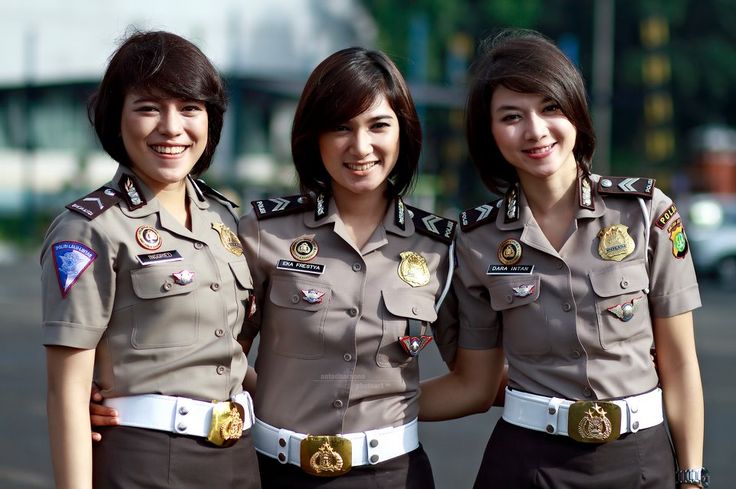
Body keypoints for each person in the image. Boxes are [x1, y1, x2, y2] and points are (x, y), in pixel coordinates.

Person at [419, 30, 707, 488]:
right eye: (511, 116)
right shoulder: (476, 240)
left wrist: (691, 477)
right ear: (490, 133)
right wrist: (362, 412)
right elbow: (475, 385)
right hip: (526, 463)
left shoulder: (646, 214)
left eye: (550, 107)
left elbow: (679, 363)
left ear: (575, 110)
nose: (535, 131)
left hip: (640, 462)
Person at [41, 30, 260, 489]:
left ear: (211, 120)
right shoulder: (89, 228)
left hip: (237, 459)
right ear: (116, 121)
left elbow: (227, 352)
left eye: (189, 108)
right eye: (148, 108)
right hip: (144, 459)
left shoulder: (224, 219)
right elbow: (67, 392)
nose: (171, 128)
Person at [238, 47, 456, 488]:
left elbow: (476, 378)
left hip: (393, 475)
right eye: (341, 127)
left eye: (379, 125)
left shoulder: (441, 247)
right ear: (313, 136)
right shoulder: (264, 232)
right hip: (275, 471)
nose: (360, 146)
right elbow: (218, 351)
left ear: (404, 132)